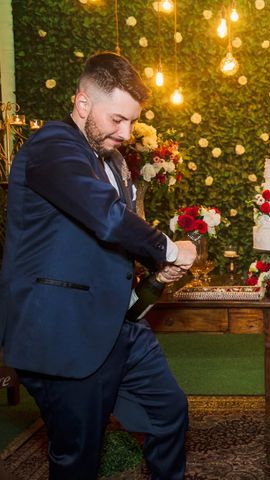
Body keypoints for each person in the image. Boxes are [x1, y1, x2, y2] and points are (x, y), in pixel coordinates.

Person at [0, 52, 197, 479]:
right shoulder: (51, 147)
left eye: (131, 122)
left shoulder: (110, 158)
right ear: (83, 103)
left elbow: (117, 232)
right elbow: (105, 216)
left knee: (168, 410)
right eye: (117, 120)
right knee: (78, 455)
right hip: (64, 332)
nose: (126, 133)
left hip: (120, 326)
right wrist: (168, 249)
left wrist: (156, 268)